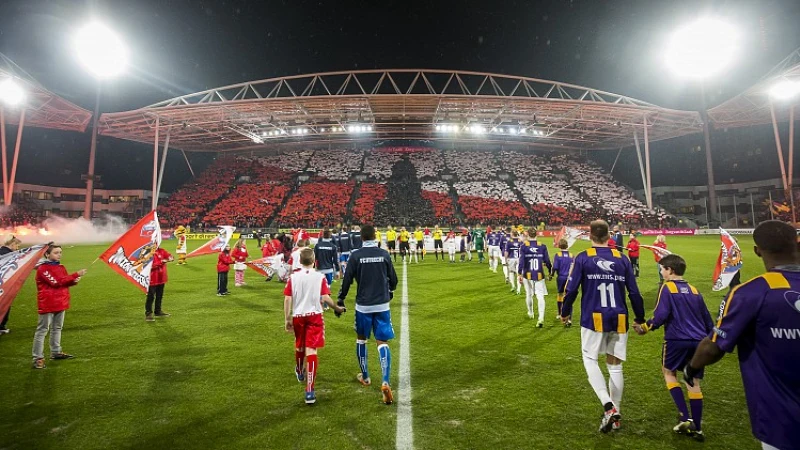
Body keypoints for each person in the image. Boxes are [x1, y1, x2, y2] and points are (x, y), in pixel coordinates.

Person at [683, 221, 800, 450]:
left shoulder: (752, 292)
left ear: (757, 250)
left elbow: (714, 347)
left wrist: (692, 367)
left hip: (782, 420)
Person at [561, 220, 645, 433]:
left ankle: (608, 408)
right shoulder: (622, 258)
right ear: (610, 236)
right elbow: (634, 292)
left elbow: (571, 290)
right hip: (619, 318)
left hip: (593, 317)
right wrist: (640, 317)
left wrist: (565, 312)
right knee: (615, 366)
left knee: (590, 359)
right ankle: (616, 417)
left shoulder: (583, 257)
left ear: (590, 236)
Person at [635, 254, 712, 441]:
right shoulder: (694, 290)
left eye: (662, 269)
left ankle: (684, 416)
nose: (661, 272)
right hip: (699, 341)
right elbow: (708, 320)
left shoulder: (667, 287)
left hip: (676, 339)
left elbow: (661, 315)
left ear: (670, 270)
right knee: (692, 381)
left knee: (668, 372)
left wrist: (644, 327)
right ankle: (698, 428)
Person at [337, 225, 398, 405]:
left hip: (363, 306)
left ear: (361, 238)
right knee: (382, 341)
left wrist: (340, 299)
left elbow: (347, 279)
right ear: (375, 236)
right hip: (382, 304)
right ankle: (385, 381)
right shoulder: (384, 254)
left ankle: (365, 377)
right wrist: (391, 291)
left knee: (361, 339)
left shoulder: (355, 255)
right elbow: (393, 279)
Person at [284, 247, 345, 405]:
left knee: (300, 346)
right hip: (315, 316)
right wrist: (337, 308)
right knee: (311, 350)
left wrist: (287, 318)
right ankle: (309, 390)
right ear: (314, 261)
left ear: (300, 261)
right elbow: (325, 298)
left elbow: (287, 299)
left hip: (298, 316)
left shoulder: (293, 277)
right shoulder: (320, 277)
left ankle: (299, 369)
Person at [32, 245, 87, 369]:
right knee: (42, 330)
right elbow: (56, 282)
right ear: (47, 254)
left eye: (60, 252)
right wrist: (75, 274)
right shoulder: (42, 268)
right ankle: (37, 358)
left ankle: (56, 352)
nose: (59, 254)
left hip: (60, 301)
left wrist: (73, 281)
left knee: (57, 328)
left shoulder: (60, 267)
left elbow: (63, 281)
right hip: (48, 303)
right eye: (56, 252)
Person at [518, 229, 552, 325]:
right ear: (536, 234)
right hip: (539, 274)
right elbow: (547, 261)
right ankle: (541, 318)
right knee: (540, 296)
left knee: (529, 294)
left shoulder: (524, 246)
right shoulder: (542, 246)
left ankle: (531, 312)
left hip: (527, 274)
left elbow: (521, 261)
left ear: (528, 235)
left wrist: (519, 273)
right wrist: (550, 271)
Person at [0, 235, 22, 334]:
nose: (17, 248)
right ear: (13, 244)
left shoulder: (2, 252)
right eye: (17, 246)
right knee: (5, 303)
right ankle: (1, 327)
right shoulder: (9, 255)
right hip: (4, 284)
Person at [145, 246, 174, 322]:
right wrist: (162, 262)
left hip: (161, 278)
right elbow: (148, 266)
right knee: (151, 296)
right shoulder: (147, 252)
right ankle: (148, 314)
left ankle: (158, 311)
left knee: (159, 295)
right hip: (152, 279)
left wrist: (171, 257)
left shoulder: (161, 250)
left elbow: (169, 255)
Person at [549, 238, 573, 319]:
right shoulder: (571, 255)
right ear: (567, 245)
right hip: (570, 278)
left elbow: (555, 267)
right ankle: (569, 317)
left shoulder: (558, 255)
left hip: (561, 277)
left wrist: (551, 275)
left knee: (560, 294)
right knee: (568, 296)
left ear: (559, 246)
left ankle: (559, 313)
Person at [504, 229, 522, 294]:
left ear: (512, 234)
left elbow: (506, 252)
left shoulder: (509, 242)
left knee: (511, 272)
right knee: (519, 274)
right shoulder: (520, 241)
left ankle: (513, 286)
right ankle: (518, 290)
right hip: (519, 259)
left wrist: (505, 259)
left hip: (511, 259)